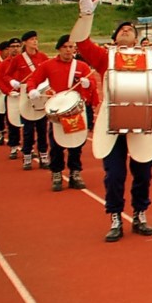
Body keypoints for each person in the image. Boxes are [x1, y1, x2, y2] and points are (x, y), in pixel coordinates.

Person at [70, 0, 152, 242]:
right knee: (114, 174)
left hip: (142, 124)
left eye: (130, 29)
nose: (126, 31)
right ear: (115, 37)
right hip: (112, 126)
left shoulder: (148, 59)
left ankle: (140, 213)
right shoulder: (104, 57)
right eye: (122, 29)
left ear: (137, 37)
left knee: (143, 172)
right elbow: (81, 43)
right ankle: (115, 217)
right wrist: (86, 15)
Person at [25, 35, 95, 192]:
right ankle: (56, 173)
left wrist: (88, 83)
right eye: (65, 47)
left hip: (75, 111)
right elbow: (33, 80)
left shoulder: (82, 66)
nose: (68, 50)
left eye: (71, 47)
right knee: (56, 144)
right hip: (57, 111)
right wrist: (32, 91)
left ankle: (75, 174)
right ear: (59, 48)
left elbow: (93, 86)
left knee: (76, 144)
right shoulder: (48, 65)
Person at [4, 31, 51, 170]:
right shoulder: (18, 59)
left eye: (36, 39)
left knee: (42, 128)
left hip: (40, 93)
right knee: (28, 129)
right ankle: (27, 155)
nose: (35, 42)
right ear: (25, 42)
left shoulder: (43, 57)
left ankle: (43, 154)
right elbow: (6, 75)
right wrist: (13, 81)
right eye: (31, 39)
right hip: (26, 94)